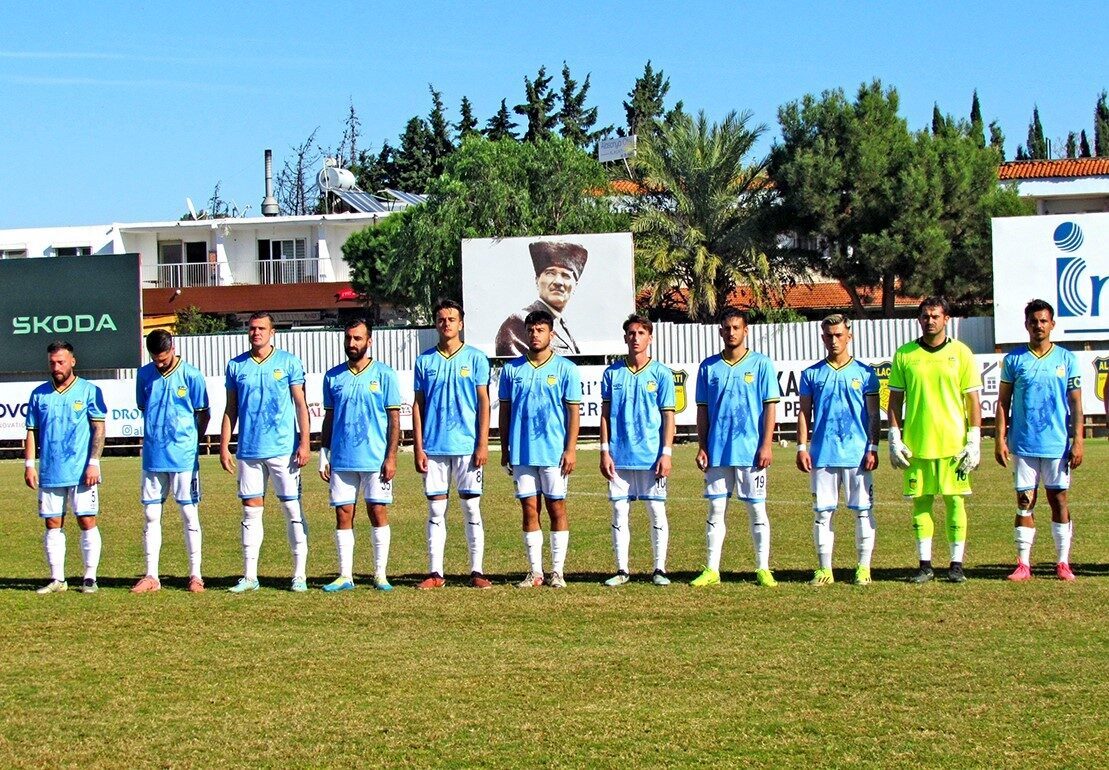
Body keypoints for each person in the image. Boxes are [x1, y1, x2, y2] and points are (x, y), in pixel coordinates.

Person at [887, 296, 982, 584]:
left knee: (955, 504)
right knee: (920, 505)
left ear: (946, 319)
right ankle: (925, 565)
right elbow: (894, 401)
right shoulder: (905, 355)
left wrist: (974, 439)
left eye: (936, 316)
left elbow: (973, 400)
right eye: (926, 316)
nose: (930, 321)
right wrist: (894, 436)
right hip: (917, 445)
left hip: (953, 446)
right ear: (919, 319)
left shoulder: (962, 353)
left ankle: (956, 565)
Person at [220, 311, 312, 593]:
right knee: (250, 512)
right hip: (249, 450)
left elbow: (300, 404)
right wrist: (225, 445)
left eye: (261, 328)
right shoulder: (236, 366)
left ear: (272, 332)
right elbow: (231, 408)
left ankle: (299, 574)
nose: (255, 332)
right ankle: (250, 576)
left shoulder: (288, 363)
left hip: (283, 449)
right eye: (251, 328)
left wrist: (305, 442)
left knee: (291, 508)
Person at [691, 308, 781, 588]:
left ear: (746, 331)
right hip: (717, 452)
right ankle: (712, 569)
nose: (731, 332)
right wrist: (702, 445)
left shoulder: (761, 364)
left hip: (751, 452)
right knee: (716, 510)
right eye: (726, 328)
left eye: (736, 328)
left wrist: (766, 445)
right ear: (720, 331)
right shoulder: (709, 367)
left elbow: (769, 408)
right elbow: (703, 411)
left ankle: (763, 568)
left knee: (756, 510)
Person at [995, 300, 1083, 581]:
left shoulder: (1067, 360)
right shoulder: (1014, 360)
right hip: (1023, 443)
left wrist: (1078, 440)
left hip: (1057, 444)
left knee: (1059, 500)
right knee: (1024, 501)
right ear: (1026, 325)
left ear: (1052, 324)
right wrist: (1000, 438)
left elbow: (1077, 405)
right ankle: (1023, 564)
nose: (1039, 326)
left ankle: (1062, 562)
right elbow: (1003, 402)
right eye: (1034, 321)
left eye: (1044, 321)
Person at [412, 299, 492, 590]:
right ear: (436, 323)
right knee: (435, 511)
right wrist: (419, 446)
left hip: (468, 447)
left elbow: (484, 403)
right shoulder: (424, 361)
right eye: (441, 319)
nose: (446, 324)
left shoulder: (475, 359)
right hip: (434, 448)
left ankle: (477, 570)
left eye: (451, 319)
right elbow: (418, 406)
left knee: (471, 508)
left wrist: (482, 443)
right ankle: (435, 573)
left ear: (461, 323)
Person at [499, 309, 582, 589]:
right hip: (522, 451)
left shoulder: (565, 369)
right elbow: (505, 412)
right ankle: (535, 572)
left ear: (552, 334)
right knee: (528, 509)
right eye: (531, 330)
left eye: (541, 330)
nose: (535, 335)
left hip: (553, 452)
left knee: (556, 507)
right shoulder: (512, 370)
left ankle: (557, 571)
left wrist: (570, 449)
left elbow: (573, 412)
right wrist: (505, 447)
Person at [796, 314, 880, 587]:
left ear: (849, 336)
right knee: (822, 512)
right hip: (823, 454)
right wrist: (801, 446)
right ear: (822, 338)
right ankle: (824, 569)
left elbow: (872, 415)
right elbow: (804, 413)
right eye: (829, 336)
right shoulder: (811, 374)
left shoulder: (865, 374)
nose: (834, 340)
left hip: (857, 455)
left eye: (839, 335)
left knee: (863, 511)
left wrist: (873, 447)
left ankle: (863, 567)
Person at [319, 318, 401, 592]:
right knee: (343, 514)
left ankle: (380, 574)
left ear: (369, 341)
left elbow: (394, 420)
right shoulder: (333, 377)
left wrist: (391, 457)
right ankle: (345, 575)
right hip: (342, 459)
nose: (352, 344)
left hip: (375, 459)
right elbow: (329, 419)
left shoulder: (385, 375)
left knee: (377, 511)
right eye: (349, 338)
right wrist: (324, 452)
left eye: (357, 338)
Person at [24, 341, 107, 594]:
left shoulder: (89, 391)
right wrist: (29, 464)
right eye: (52, 363)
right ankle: (57, 579)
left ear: (73, 361)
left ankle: (90, 578)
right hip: (50, 470)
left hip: (82, 471)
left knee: (86, 519)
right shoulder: (39, 394)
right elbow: (31, 431)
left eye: (61, 362)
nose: (56, 367)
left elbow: (99, 428)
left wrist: (94, 463)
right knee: (52, 523)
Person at [599, 314, 676, 587]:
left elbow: (668, 417)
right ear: (625, 338)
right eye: (631, 333)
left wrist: (666, 452)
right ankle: (622, 569)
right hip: (619, 457)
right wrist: (604, 450)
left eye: (641, 333)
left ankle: (660, 569)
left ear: (650, 338)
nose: (635, 338)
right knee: (620, 513)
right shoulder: (612, 373)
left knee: (656, 511)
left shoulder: (662, 374)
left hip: (651, 457)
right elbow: (606, 415)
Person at [131, 330, 210, 594]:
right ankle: (151, 575)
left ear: (173, 348)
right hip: (153, 457)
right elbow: (145, 408)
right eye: (155, 359)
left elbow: (203, 413)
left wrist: (191, 443)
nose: (160, 363)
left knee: (188, 513)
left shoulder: (191, 375)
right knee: (151, 514)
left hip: (184, 458)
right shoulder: (144, 375)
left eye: (163, 358)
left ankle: (196, 575)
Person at [494, 241, 587, 356]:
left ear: (575, 286)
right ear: (537, 280)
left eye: (566, 275)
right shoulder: (519, 322)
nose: (558, 282)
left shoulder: (562, 324)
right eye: (550, 273)